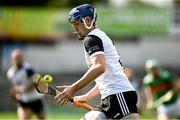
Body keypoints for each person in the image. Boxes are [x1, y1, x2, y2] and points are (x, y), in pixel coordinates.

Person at [54, 4, 140, 120]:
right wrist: (86, 96)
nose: (75, 29)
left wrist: (73, 89)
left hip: (119, 96)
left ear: (88, 21)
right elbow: (105, 78)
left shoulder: (91, 39)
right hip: (112, 97)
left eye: (76, 24)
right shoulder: (98, 36)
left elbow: (99, 67)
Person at [7, 49, 46, 120]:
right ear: (12, 59)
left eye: (20, 57)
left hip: (36, 98)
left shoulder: (27, 68)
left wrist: (22, 89)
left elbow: (35, 82)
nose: (18, 60)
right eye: (16, 58)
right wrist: (15, 94)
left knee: (42, 118)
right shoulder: (10, 73)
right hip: (24, 100)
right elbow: (16, 87)